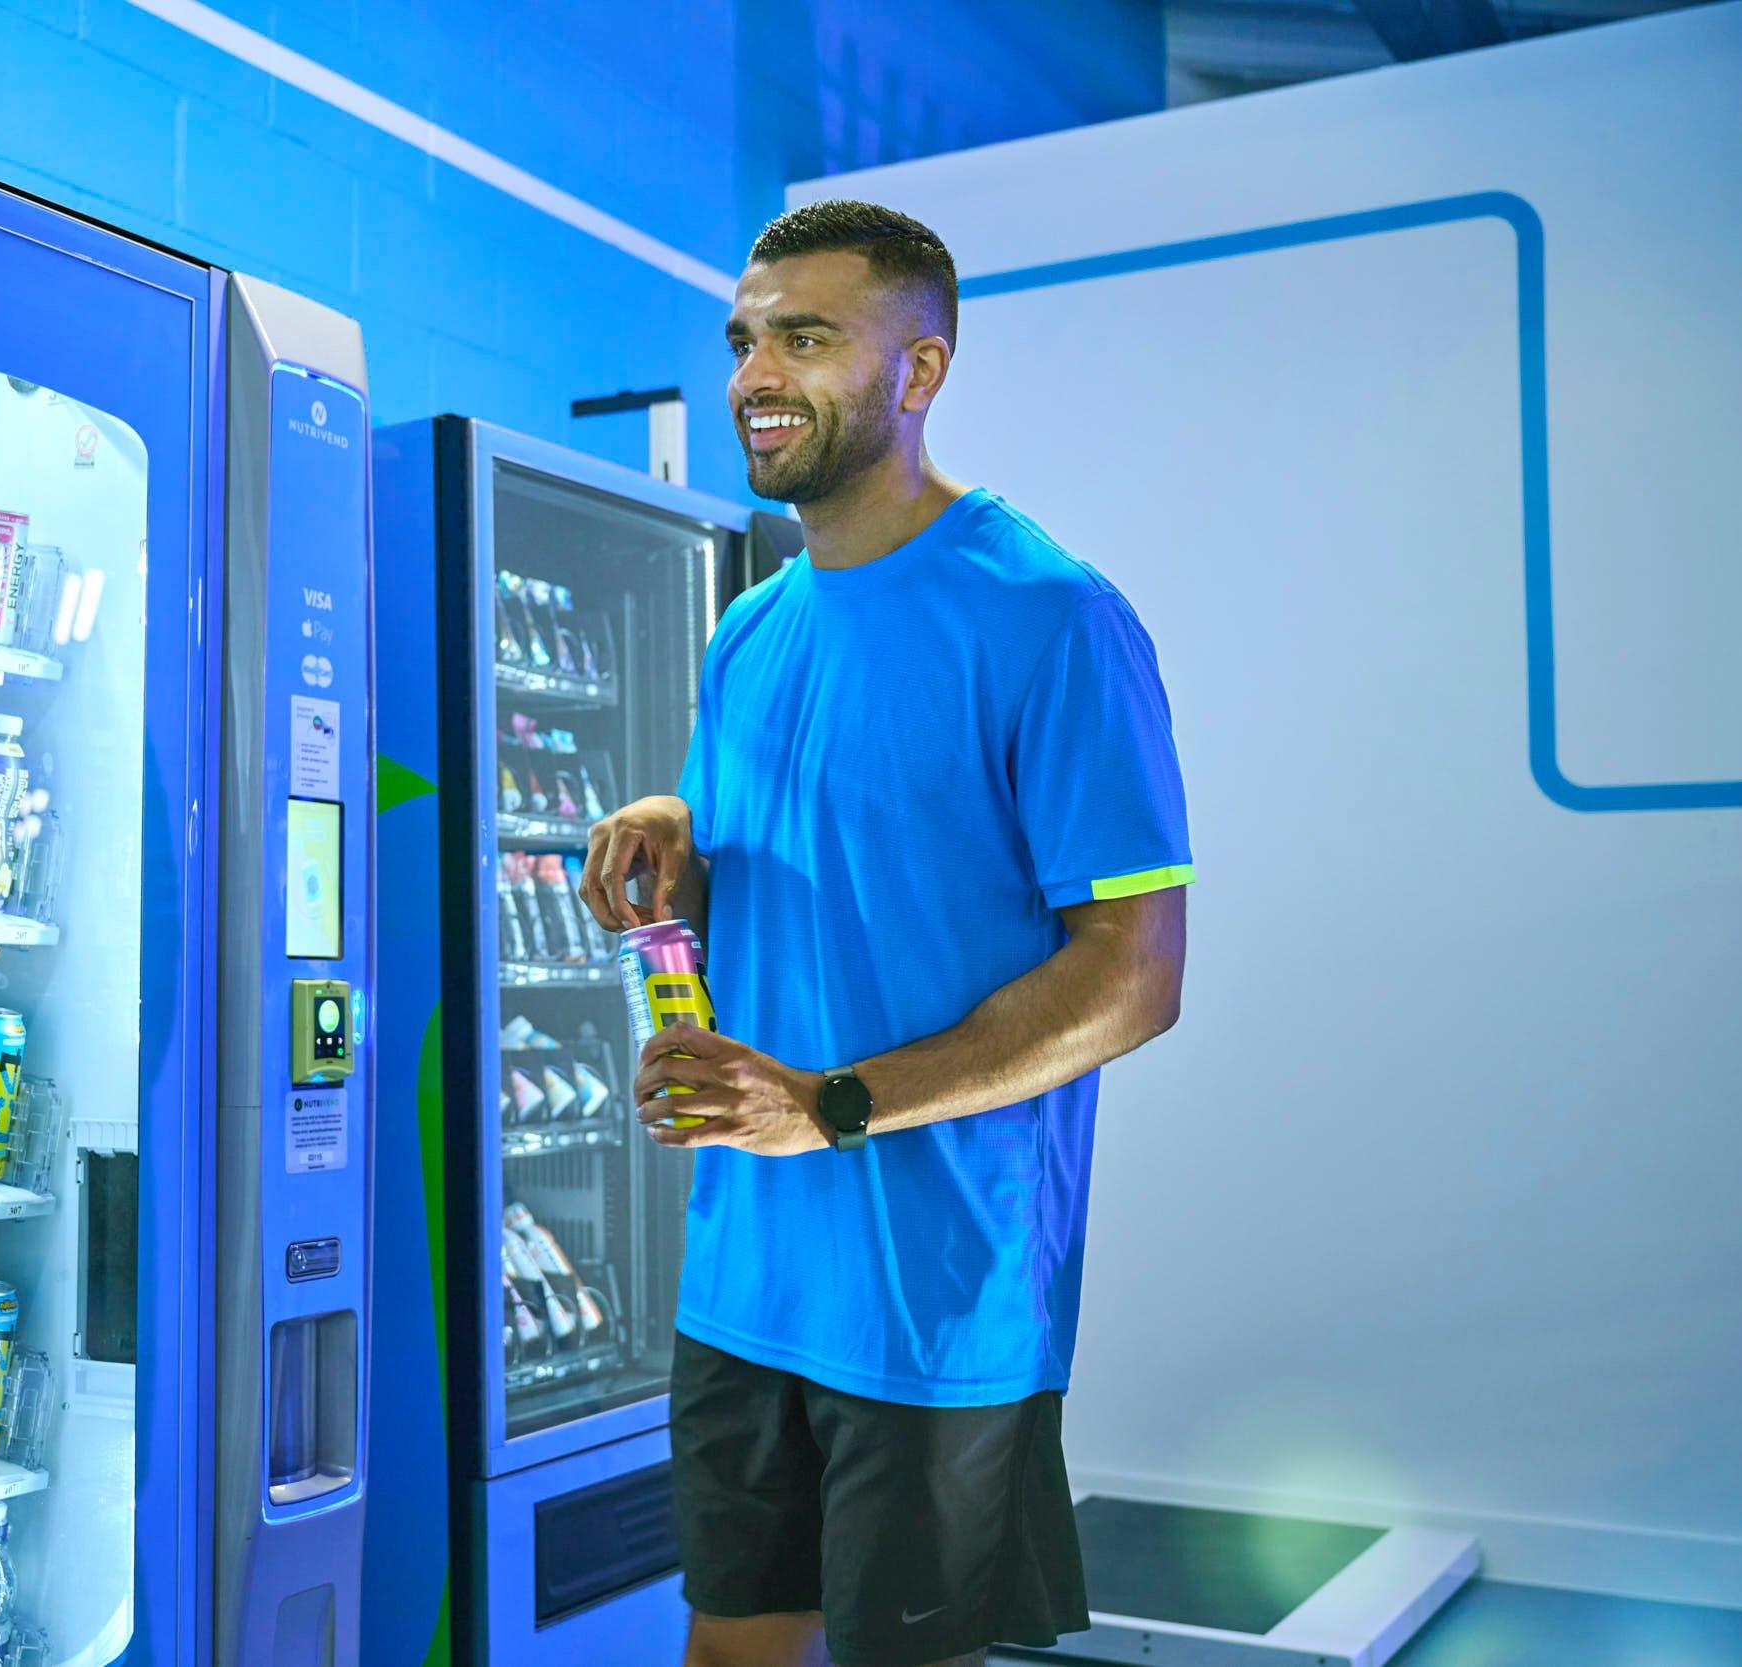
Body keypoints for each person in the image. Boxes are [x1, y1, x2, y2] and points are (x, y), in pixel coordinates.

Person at [579, 199, 1193, 1667]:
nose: (753, 374)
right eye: (743, 338)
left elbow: (1137, 975)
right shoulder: (752, 628)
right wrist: (682, 845)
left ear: (919, 376)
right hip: (746, 1275)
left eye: (806, 336)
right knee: (730, 1652)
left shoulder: (1049, 615)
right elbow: (810, 872)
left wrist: (829, 1106)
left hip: (937, 1300)